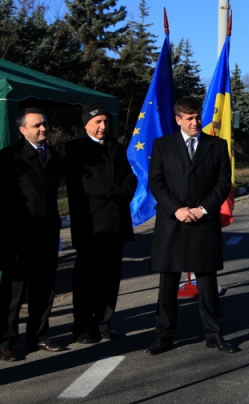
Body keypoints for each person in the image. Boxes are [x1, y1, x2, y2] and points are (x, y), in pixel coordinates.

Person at [145, 96, 237, 356]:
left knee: (207, 282)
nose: (196, 122)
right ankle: (164, 336)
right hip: (172, 223)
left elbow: (222, 184)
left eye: (198, 117)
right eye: (190, 118)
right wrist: (177, 209)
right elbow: (156, 182)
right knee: (168, 283)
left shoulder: (217, 146)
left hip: (203, 222)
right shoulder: (163, 145)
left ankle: (214, 334)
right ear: (178, 120)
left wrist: (202, 208)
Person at [63, 103, 137, 344]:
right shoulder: (74, 148)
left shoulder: (116, 146)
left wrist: (124, 189)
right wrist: (116, 191)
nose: (103, 126)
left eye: (106, 122)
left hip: (116, 224)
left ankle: (104, 323)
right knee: (87, 280)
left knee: (110, 277)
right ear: (86, 124)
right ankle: (83, 326)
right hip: (91, 225)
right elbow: (84, 184)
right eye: (97, 122)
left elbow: (130, 177)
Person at [0, 108, 65, 361]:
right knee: (13, 294)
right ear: (22, 129)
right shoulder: (8, 158)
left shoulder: (54, 156)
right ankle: (5, 342)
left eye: (45, 124)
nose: (43, 129)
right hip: (17, 236)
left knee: (44, 289)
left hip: (47, 233)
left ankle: (38, 336)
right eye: (37, 125)